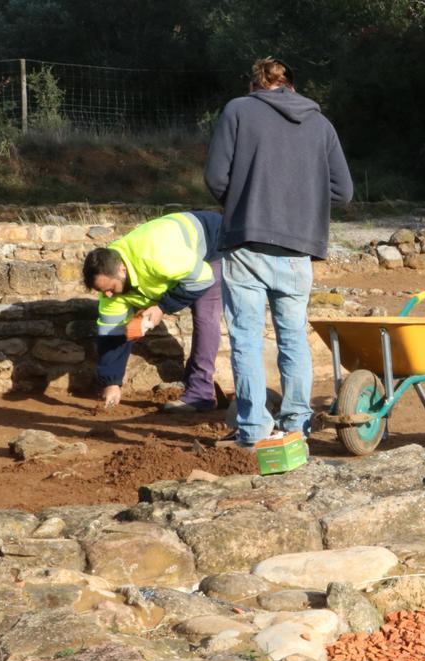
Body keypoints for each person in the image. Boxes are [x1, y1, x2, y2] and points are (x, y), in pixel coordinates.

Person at [204, 57, 353, 447]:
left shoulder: (238, 110)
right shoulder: (320, 124)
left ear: (254, 85)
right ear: (291, 86)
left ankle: (253, 430)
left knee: (247, 340)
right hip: (299, 249)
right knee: (293, 339)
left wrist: (243, 203)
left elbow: (216, 177)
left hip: (247, 243)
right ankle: (296, 427)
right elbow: (344, 191)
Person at [83, 211, 225, 413]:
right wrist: (112, 382)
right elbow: (111, 334)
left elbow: (203, 278)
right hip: (178, 257)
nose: (108, 295)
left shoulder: (157, 256)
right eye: (102, 291)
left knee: (204, 315)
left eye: (111, 288)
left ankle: (201, 394)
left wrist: (163, 307)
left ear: (122, 270)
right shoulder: (109, 285)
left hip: (213, 241)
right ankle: (190, 382)